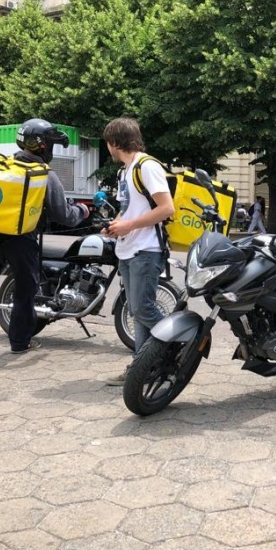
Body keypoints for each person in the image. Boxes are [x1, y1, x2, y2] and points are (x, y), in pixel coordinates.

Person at [0, 119, 90, 371]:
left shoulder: (4, 167)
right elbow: (64, 215)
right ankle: (19, 342)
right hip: (21, 239)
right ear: (44, 146)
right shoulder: (43, 174)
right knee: (25, 291)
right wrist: (82, 211)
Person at [102, 117, 175, 385]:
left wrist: (129, 225)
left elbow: (167, 209)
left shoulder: (147, 166)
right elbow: (130, 209)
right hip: (128, 249)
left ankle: (178, 345)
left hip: (146, 250)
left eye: (107, 142)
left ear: (114, 142)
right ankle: (142, 368)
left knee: (143, 309)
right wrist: (116, 226)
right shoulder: (126, 171)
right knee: (137, 312)